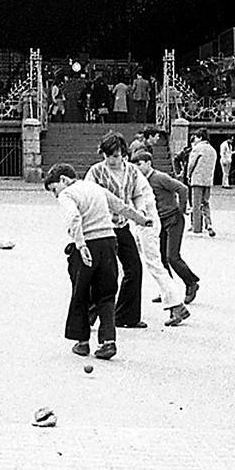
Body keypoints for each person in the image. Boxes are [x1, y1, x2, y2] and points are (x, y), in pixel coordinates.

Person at [44, 163, 153, 360]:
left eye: (54, 189)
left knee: (81, 293)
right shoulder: (96, 188)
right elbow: (120, 206)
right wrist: (141, 219)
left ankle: (82, 342)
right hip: (109, 242)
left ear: (63, 180)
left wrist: (80, 244)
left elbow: (74, 216)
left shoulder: (67, 194)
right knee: (107, 293)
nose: (55, 194)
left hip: (88, 243)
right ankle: (108, 342)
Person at [85, 132, 151, 329]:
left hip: (122, 225)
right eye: (108, 156)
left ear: (124, 154)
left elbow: (138, 194)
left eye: (115, 156)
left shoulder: (132, 171)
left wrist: (140, 211)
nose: (112, 160)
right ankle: (89, 314)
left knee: (134, 268)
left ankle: (126, 315)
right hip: (102, 228)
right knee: (104, 273)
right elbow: (88, 197)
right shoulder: (95, 172)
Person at [135, 151, 200, 308]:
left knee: (173, 257)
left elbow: (182, 188)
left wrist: (182, 209)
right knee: (161, 258)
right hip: (160, 221)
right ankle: (168, 291)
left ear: (149, 163)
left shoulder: (159, 177)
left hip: (173, 219)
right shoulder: (141, 181)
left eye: (140, 164)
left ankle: (191, 282)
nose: (137, 167)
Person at [186, 128, 217, 236]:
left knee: (196, 204)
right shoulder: (212, 150)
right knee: (206, 202)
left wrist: (188, 175)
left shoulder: (197, 148)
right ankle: (209, 224)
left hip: (197, 179)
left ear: (200, 137)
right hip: (208, 180)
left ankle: (197, 227)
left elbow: (191, 164)